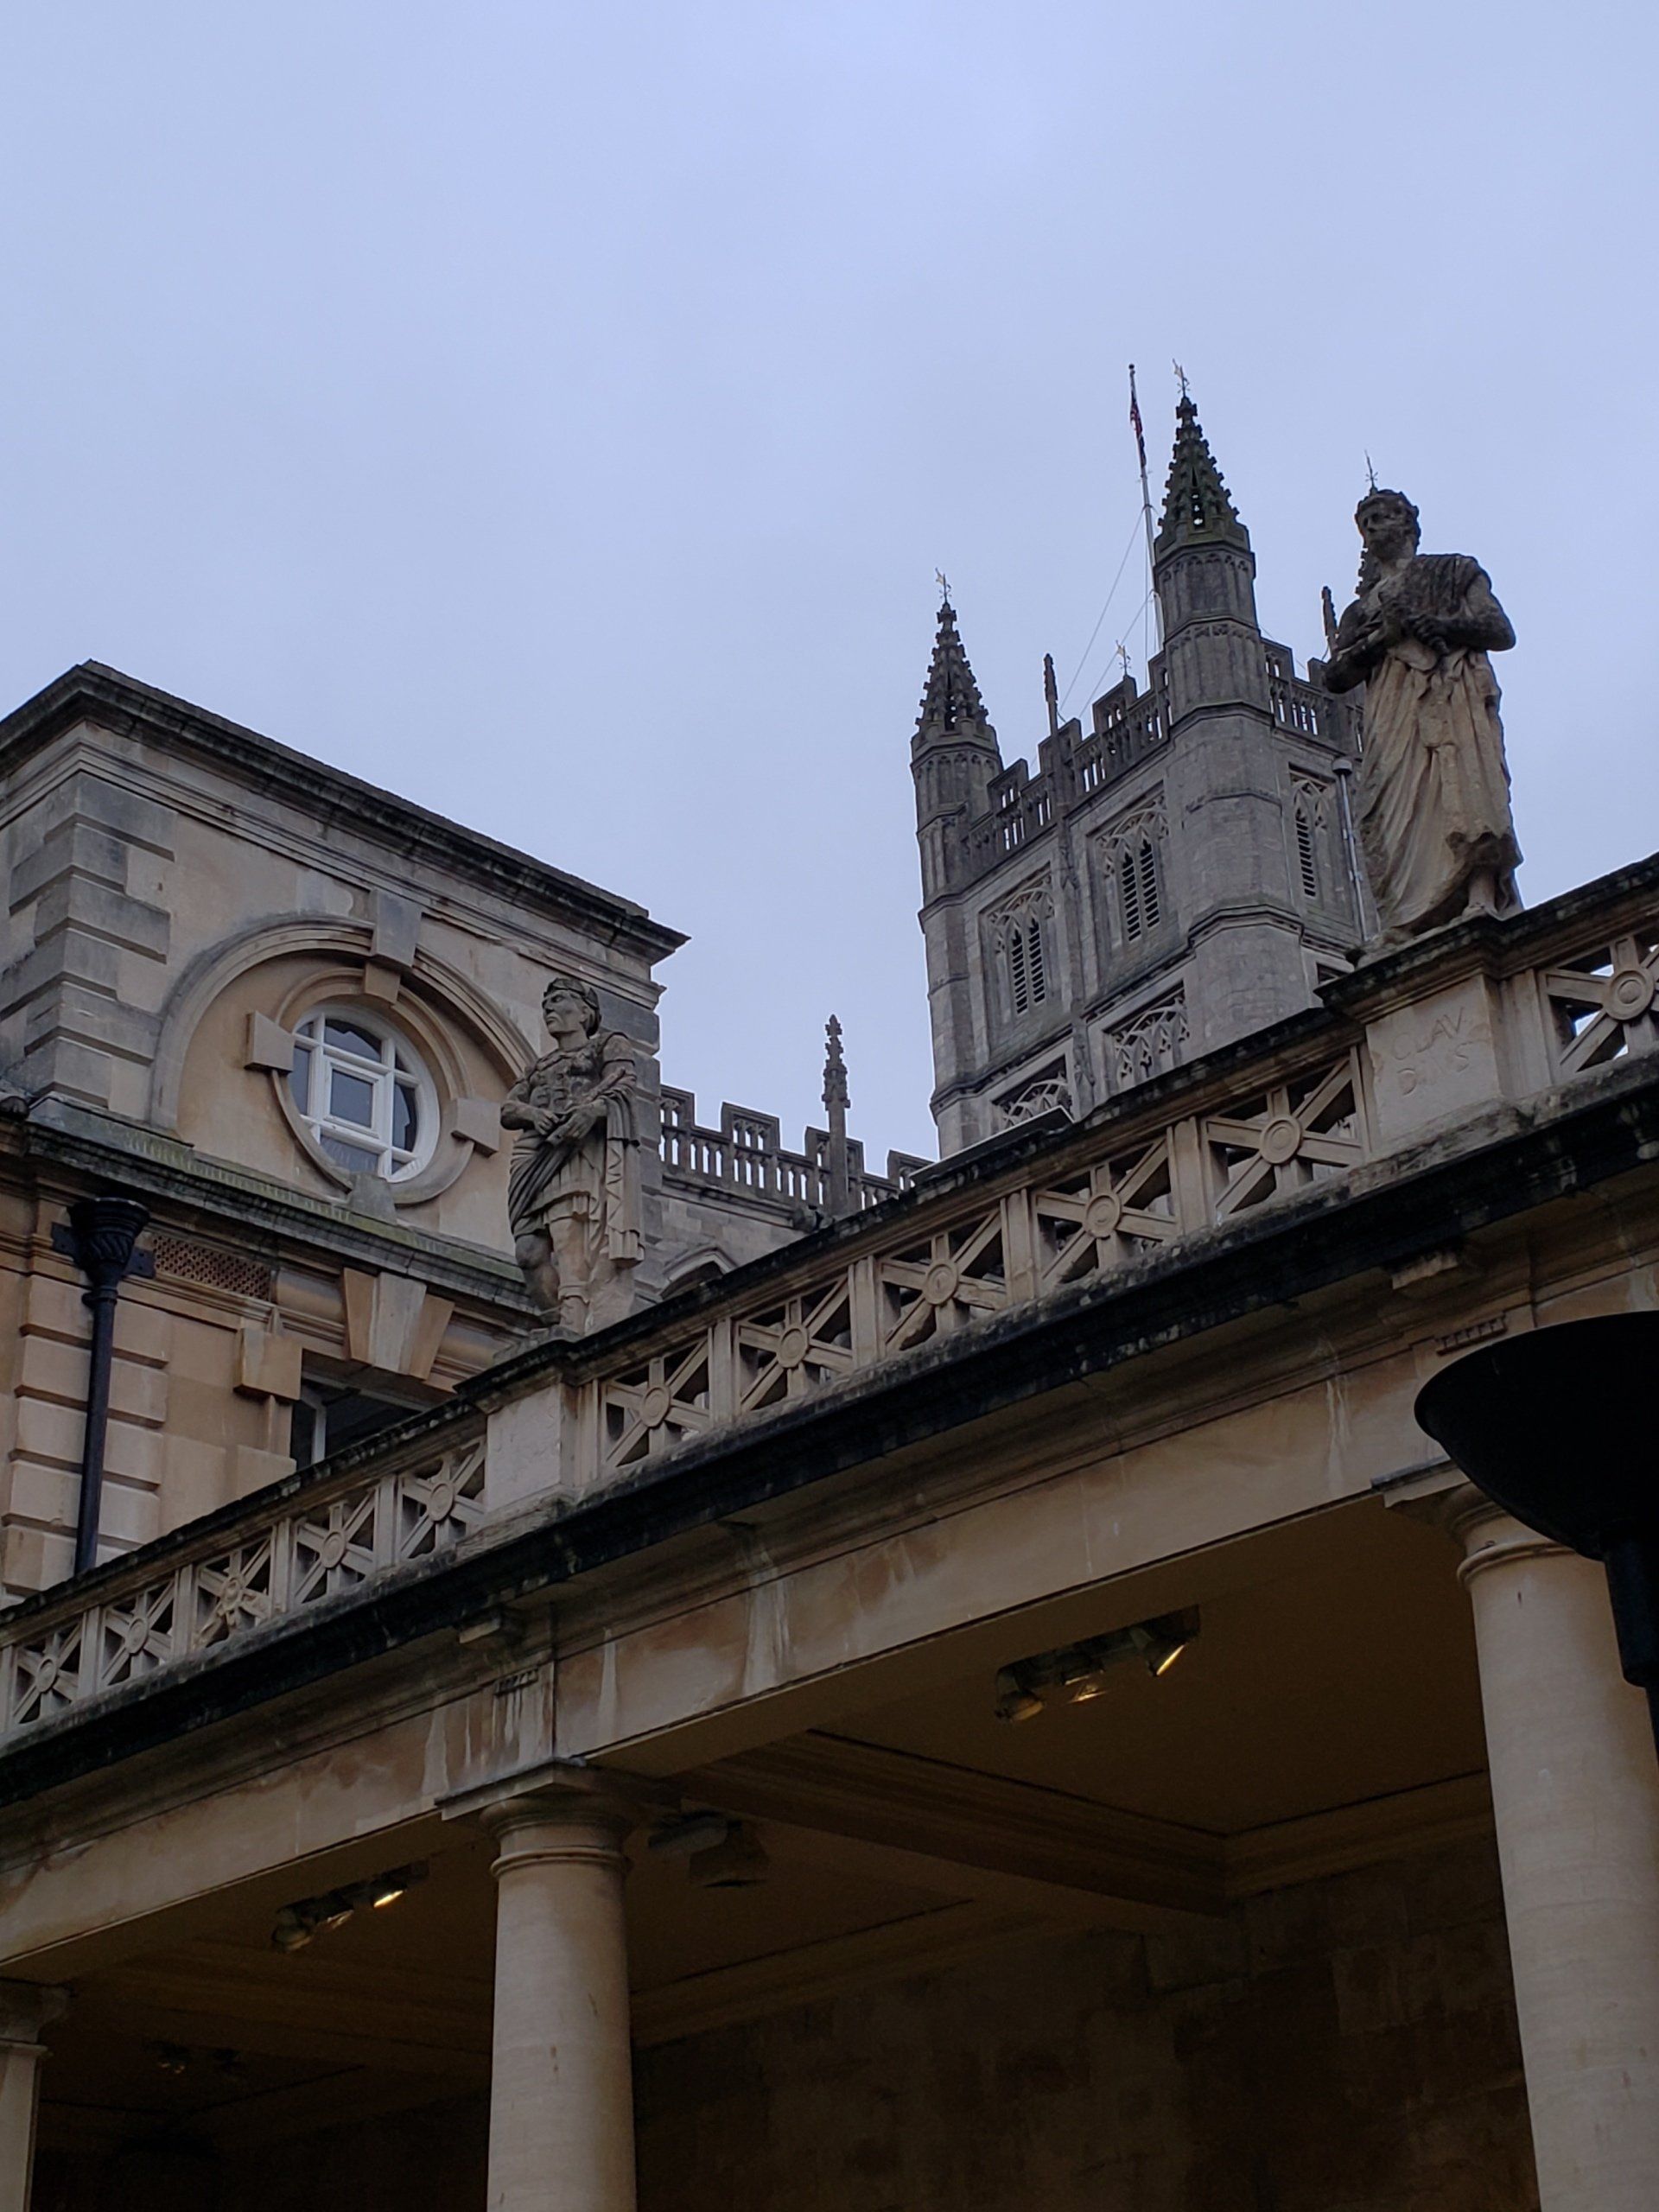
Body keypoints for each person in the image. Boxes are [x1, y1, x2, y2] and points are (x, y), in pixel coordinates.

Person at [1323, 488, 1521, 942]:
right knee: (1388, 806)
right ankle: (1406, 919)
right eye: (1367, 521)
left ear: (1410, 523)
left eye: (1384, 516)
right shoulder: (1361, 609)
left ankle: (1479, 893)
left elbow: (1499, 630)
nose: (1374, 527)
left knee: (1461, 786)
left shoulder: (1453, 571)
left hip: (1448, 694)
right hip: (1392, 712)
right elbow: (1336, 675)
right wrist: (1382, 640)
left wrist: (1444, 627)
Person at [502, 976, 641, 1331]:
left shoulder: (607, 1045)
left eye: (560, 999)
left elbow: (624, 1083)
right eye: (547, 1001)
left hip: (577, 1150)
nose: (549, 1007)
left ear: (584, 1012)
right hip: (534, 1154)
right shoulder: (538, 1067)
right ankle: (556, 1321)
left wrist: (591, 1112)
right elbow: (508, 1109)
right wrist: (534, 1114)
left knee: (568, 1236)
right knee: (529, 1253)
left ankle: (573, 1320)